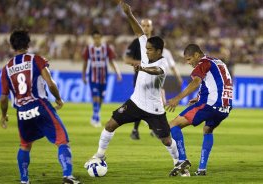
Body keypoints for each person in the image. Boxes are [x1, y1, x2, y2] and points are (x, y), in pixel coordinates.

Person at [84, 1, 180, 175]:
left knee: (166, 140)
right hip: (135, 102)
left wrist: (142, 67)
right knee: (110, 124)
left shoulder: (163, 62)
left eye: (150, 50)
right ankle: (99, 155)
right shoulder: (145, 47)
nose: (146, 51)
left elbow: (156, 71)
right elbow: (138, 31)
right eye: (147, 48)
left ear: (158, 51)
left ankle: (178, 162)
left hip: (154, 108)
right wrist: (128, 14)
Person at [0, 29, 80, 184]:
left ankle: (24, 180)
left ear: (12, 46)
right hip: (39, 105)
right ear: (28, 44)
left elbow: (3, 98)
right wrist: (58, 98)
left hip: (22, 112)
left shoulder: (6, 69)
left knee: (25, 145)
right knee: (62, 140)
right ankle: (68, 176)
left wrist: (4, 115)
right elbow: (50, 83)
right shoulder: (36, 59)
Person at [166, 44, 233, 176]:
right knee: (207, 130)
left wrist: (178, 98)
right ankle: (202, 169)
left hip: (210, 104)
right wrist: (198, 97)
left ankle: (182, 159)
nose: (189, 63)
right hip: (225, 106)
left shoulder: (203, 63)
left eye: (189, 59)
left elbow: (196, 81)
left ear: (197, 55)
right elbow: (218, 83)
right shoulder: (217, 62)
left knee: (173, 125)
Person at [124, 18, 182, 140]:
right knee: (139, 103)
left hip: (155, 79)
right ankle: (137, 129)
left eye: (147, 26)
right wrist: (141, 64)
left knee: (156, 101)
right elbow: (127, 59)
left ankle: (155, 128)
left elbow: (169, 64)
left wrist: (178, 76)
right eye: (143, 25)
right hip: (140, 77)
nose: (145, 28)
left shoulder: (157, 44)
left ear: (151, 28)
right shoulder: (137, 42)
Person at [82, 30, 122, 127]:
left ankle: (95, 114)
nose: (97, 39)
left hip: (104, 77)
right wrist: (83, 75)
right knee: (95, 97)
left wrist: (118, 73)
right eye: (95, 38)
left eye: (98, 37)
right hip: (93, 77)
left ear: (101, 38)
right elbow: (85, 63)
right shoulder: (89, 49)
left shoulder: (107, 48)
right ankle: (97, 118)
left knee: (100, 98)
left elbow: (112, 61)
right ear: (93, 38)